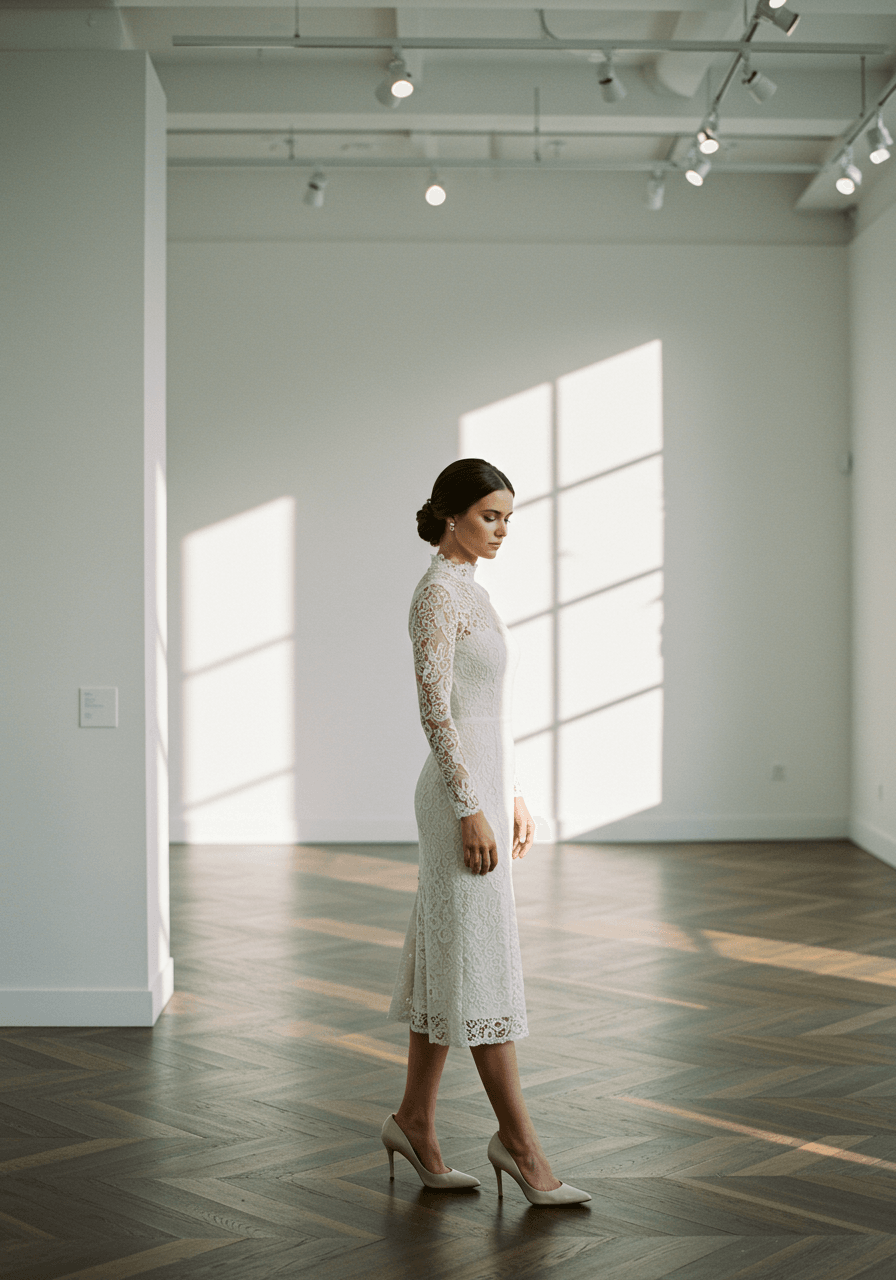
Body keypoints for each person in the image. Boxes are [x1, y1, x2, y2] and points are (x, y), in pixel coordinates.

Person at [383, 458, 590, 1206]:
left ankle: (414, 1122)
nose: (502, 530)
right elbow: (436, 711)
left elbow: (489, 707)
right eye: (489, 516)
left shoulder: (474, 591)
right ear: (452, 516)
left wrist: (514, 792)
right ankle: (522, 1148)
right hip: (455, 800)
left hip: (485, 791)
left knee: (449, 958)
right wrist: (471, 805)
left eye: (508, 518)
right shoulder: (437, 595)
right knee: (477, 963)